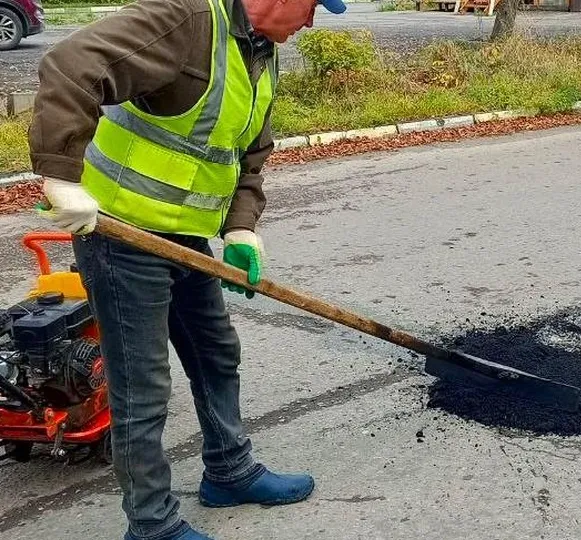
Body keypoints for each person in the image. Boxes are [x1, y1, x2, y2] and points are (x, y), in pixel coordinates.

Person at [27, 0, 346, 538]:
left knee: (216, 353)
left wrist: (242, 226)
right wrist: (61, 175)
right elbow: (71, 63)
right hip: (119, 236)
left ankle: (229, 470)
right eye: (313, 6)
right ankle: (151, 524)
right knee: (143, 389)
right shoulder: (187, 19)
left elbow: (248, 151)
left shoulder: (259, 50)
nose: (312, 21)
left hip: (184, 239)